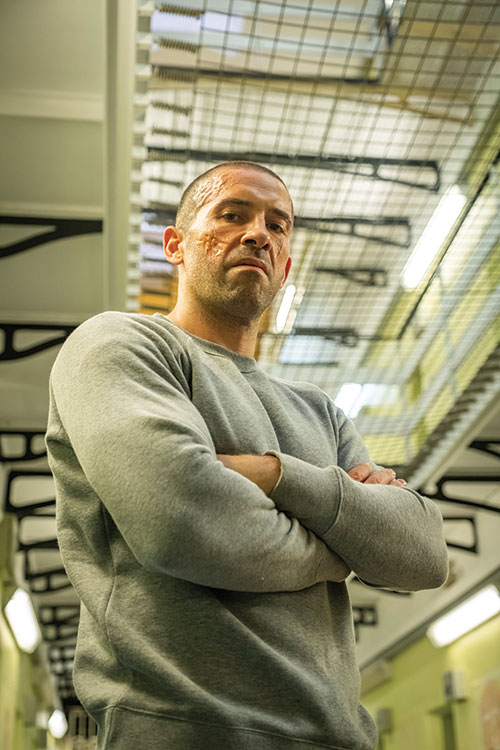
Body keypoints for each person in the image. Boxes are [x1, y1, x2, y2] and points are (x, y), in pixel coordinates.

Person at [45, 161, 448, 750]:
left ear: (284, 267)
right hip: (185, 733)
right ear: (175, 245)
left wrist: (274, 474)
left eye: (278, 226)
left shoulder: (320, 412)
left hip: (342, 738)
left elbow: (424, 554)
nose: (259, 232)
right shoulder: (122, 345)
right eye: (232, 215)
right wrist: (345, 543)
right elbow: (182, 521)